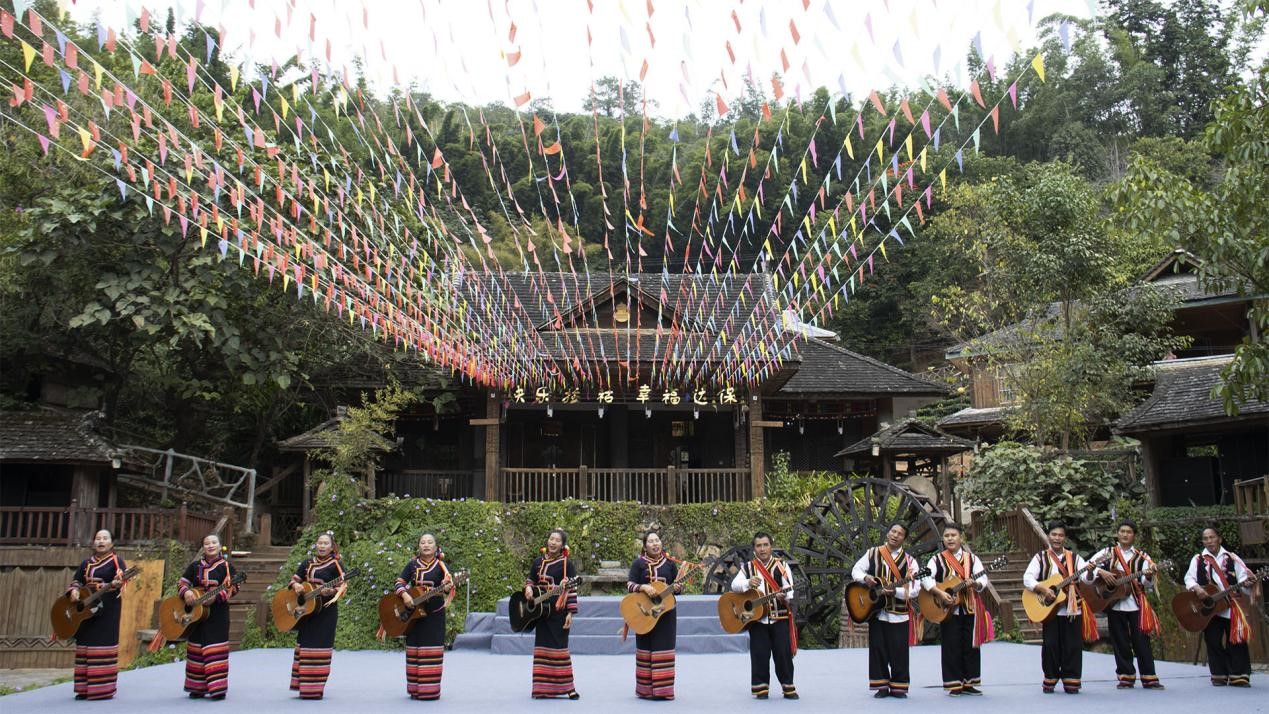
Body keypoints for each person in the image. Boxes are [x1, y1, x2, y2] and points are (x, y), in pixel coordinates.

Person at [1088, 520, 1165, 690]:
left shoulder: (1142, 556)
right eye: (1122, 531)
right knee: (1119, 641)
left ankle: (1149, 677)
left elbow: (1148, 582)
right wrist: (1101, 571)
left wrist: (1150, 576)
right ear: (1117, 533)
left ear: (1134, 535)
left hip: (1136, 604)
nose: (1124, 534)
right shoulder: (1108, 552)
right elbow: (1088, 567)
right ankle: (1125, 676)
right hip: (1114, 604)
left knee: (1142, 641)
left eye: (1128, 531)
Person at [1022, 522, 1095, 694]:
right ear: (1048, 536)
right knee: (1051, 645)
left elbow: (1087, 578)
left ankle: (1071, 680)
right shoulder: (1040, 557)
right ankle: (1050, 678)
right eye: (1054, 534)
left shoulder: (1075, 558)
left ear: (1065, 538)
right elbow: (1027, 578)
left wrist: (1091, 571)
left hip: (1072, 608)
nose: (1057, 538)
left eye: (1060, 535)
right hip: (1050, 610)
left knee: (1073, 645)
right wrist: (1043, 589)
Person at [851, 522, 921, 699]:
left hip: (900, 613)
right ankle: (881, 686)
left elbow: (915, 589)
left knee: (899, 651)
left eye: (900, 534)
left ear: (904, 538)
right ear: (888, 533)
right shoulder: (873, 553)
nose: (895, 535)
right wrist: (866, 577)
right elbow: (856, 570)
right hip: (877, 611)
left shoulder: (910, 561)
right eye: (893, 531)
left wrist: (896, 591)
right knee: (878, 649)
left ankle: (899, 686)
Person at [921, 523, 992, 696]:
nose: (950, 538)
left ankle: (969, 683)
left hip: (969, 608)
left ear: (961, 538)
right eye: (947, 536)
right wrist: (939, 592)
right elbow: (925, 577)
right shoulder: (937, 559)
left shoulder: (972, 559)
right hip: (948, 611)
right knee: (951, 646)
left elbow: (983, 578)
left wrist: (975, 583)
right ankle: (954, 684)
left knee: (971, 645)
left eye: (954, 535)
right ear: (943, 539)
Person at [729, 531, 798, 700]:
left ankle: (788, 686)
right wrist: (747, 583)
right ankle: (761, 688)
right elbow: (734, 585)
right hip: (757, 619)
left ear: (771, 546)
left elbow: (790, 590)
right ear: (754, 548)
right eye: (759, 545)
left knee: (783, 653)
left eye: (765, 545)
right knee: (759, 654)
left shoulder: (781, 566)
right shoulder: (748, 568)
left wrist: (784, 596)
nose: (762, 549)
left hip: (779, 616)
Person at [1183, 526, 1254, 687]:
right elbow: (1189, 579)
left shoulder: (1232, 558)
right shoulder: (1198, 559)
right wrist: (1198, 589)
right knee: (1213, 640)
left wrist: (1248, 583)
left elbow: (1243, 583)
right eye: (1206, 538)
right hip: (1210, 609)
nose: (1209, 541)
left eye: (1212, 537)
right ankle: (1219, 673)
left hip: (1231, 607)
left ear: (1219, 539)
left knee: (1235, 640)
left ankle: (1238, 674)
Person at [66, 529, 126, 700]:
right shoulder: (86, 563)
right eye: (98, 538)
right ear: (93, 543)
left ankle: (102, 689)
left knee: (103, 642)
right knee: (85, 643)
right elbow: (77, 580)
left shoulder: (117, 561)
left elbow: (121, 580)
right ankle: (83, 688)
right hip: (85, 607)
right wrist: (75, 590)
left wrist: (116, 584)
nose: (101, 541)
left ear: (112, 543)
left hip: (108, 608)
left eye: (105, 538)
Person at [394, 532, 455, 700]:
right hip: (414, 613)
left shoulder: (442, 566)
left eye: (430, 542)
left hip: (434, 613)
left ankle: (429, 690)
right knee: (414, 647)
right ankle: (414, 688)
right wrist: (405, 595)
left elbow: (449, 586)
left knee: (431, 647)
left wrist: (447, 586)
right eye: (423, 542)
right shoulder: (412, 565)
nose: (426, 545)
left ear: (436, 547)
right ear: (419, 546)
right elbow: (399, 582)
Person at [179, 533, 239, 699]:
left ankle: (217, 689)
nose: (210, 545)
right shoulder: (194, 566)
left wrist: (216, 597)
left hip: (218, 614)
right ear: (203, 547)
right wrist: (187, 592)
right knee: (196, 647)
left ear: (220, 546)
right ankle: (196, 687)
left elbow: (234, 588)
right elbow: (182, 582)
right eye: (207, 543)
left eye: (214, 542)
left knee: (215, 648)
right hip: (196, 615)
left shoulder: (226, 566)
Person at [288, 532, 346, 700]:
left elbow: (343, 585)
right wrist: (297, 585)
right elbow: (293, 580)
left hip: (326, 612)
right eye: (319, 543)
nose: (322, 546)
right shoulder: (307, 563)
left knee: (321, 646)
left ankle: (316, 688)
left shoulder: (336, 564)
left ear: (331, 547)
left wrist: (332, 591)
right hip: (306, 613)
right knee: (305, 645)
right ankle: (303, 686)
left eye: (325, 543)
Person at [627, 531, 682, 700]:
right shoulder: (638, 564)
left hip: (666, 613)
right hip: (644, 612)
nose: (655, 544)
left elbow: (676, 588)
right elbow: (629, 584)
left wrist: (678, 589)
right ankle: (645, 690)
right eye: (650, 541)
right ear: (645, 546)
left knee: (664, 647)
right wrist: (643, 587)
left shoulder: (670, 564)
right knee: (645, 647)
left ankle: (663, 691)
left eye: (657, 540)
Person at [525, 528, 579, 700]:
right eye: (551, 539)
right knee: (542, 647)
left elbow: (572, 588)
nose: (553, 542)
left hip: (558, 611)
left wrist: (570, 612)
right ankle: (542, 688)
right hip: (540, 612)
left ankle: (568, 687)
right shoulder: (538, 561)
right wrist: (528, 588)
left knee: (560, 648)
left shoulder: (566, 564)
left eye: (557, 540)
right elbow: (530, 580)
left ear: (562, 545)